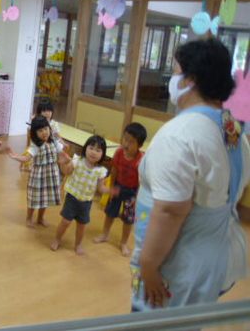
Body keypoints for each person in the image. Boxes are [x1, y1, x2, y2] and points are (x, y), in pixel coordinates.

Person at [131, 38, 250, 311]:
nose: (172, 80)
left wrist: (148, 265)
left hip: (175, 264)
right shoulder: (233, 132)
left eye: (175, 72)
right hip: (213, 258)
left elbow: (170, 211)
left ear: (190, 80)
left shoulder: (180, 135)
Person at [94, 123, 147, 257]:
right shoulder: (118, 152)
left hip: (132, 191)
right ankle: (105, 234)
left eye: (131, 142)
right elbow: (114, 170)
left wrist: (137, 198)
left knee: (128, 219)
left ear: (139, 145)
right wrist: (111, 187)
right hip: (118, 187)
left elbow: (142, 181)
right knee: (110, 213)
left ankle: (123, 243)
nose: (126, 144)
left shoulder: (141, 160)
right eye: (125, 139)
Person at [51, 135, 109, 255]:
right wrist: (62, 164)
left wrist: (110, 190)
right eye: (91, 148)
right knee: (65, 222)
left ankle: (78, 244)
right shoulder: (77, 161)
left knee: (82, 225)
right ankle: (57, 239)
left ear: (102, 154)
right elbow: (66, 172)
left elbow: (100, 188)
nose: (93, 152)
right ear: (85, 148)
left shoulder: (101, 171)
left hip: (86, 202)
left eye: (98, 150)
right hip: (72, 197)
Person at [9, 116, 62, 228]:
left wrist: (67, 158)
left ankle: (40, 218)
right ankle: (29, 218)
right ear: (35, 133)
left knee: (45, 198)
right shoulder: (35, 146)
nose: (44, 132)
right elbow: (26, 158)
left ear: (49, 128)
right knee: (34, 197)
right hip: (38, 176)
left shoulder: (53, 141)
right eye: (40, 130)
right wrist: (16, 157)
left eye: (46, 129)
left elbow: (62, 152)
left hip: (51, 175)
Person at [21, 99, 65, 171]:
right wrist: (33, 121)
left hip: (50, 145)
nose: (47, 113)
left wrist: (63, 142)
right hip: (38, 145)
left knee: (58, 151)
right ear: (39, 112)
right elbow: (31, 133)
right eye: (44, 111)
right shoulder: (36, 122)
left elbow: (57, 135)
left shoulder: (54, 124)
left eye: (49, 111)